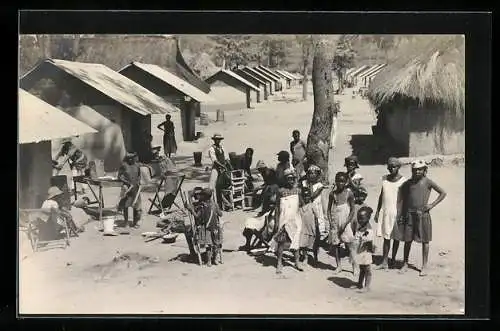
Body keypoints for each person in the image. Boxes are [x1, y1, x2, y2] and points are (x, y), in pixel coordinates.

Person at [392, 160, 447, 276]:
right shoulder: (408, 183)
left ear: (424, 171)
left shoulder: (428, 182)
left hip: (422, 215)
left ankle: (424, 266)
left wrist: (431, 205)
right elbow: (401, 196)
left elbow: (442, 193)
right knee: (407, 240)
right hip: (409, 214)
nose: (417, 171)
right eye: (415, 170)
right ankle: (405, 263)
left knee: (425, 240)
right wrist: (401, 214)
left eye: (420, 169)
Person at [374, 157, 407, 269]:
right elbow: (381, 195)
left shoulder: (403, 180)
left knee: (396, 238)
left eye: (394, 166)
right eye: (390, 166)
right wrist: (378, 211)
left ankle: (393, 259)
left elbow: (404, 199)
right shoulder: (384, 179)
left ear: (398, 167)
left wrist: (402, 214)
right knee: (386, 237)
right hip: (386, 211)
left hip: (396, 212)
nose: (391, 168)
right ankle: (384, 261)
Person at [270, 168, 304, 274]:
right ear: (285, 180)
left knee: (296, 241)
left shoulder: (298, 191)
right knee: (281, 241)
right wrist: (276, 221)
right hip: (284, 219)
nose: (290, 181)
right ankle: (279, 263)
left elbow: (302, 204)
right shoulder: (281, 191)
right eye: (288, 179)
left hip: (295, 219)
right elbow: (277, 207)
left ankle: (297, 262)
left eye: (292, 179)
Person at [241, 169, 280, 251]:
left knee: (250, 222)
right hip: (266, 213)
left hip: (269, 215)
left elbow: (273, 202)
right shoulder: (271, 186)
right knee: (250, 222)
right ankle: (250, 243)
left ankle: (249, 244)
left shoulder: (273, 188)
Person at [184, 188, 223, 267]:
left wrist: (191, 210)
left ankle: (208, 261)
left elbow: (197, 216)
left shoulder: (202, 206)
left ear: (204, 196)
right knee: (215, 244)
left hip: (206, 229)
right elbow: (220, 214)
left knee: (208, 245)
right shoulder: (214, 204)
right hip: (215, 228)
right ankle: (215, 259)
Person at [327, 172, 356, 274]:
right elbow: (328, 210)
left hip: (346, 222)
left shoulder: (349, 193)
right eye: (338, 181)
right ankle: (338, 266)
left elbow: (352, 210)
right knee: (336, 245)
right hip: (335, 222)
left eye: (343, 181)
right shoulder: (332, 194)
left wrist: (346, 223)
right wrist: (331, 222)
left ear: (346, 182)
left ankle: (354, 266)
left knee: (350, 244)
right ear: (335, 181)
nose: (340, 183)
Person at [300, 165, 328, 240]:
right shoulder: (304, 183)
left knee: (317, 219)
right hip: (306, 205)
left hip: (315, 204)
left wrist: (310, 185)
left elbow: (312, 196)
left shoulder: (320, 185)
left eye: (314, 173)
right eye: (310, 173)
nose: (312, 175)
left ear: (317, 175)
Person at [351, 206, 375, 293]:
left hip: (366, 252)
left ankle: (367, 286)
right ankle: (359, 283)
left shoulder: (368, 230)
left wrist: (371, 250)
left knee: (367, 269)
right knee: (362, 268)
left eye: (362, 219)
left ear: (368, 218)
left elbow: (369, 242)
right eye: (358, 218)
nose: (360, 220)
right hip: (360, 251)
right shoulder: (360, 228)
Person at [117, 152, 142, 232]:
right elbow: (119, 176)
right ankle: (126, 222)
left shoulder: (137, 165)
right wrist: (127, 183)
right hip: (127, 188)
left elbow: (139, 175)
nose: (131, 159)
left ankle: (135, 222)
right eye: (129, 158)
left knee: (136, 205)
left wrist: (138, 182)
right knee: (126, 205)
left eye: (132, 158)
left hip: (135, 187)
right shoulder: (124, 165)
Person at [207, 133, 231, 209]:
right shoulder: (211, 149)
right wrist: (222, 166)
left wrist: (229, 165)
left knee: (226, 183)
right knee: (212, 185)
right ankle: (213, 203)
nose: (218, 141)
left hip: (223, 168)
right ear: (214, 140)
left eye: (219, 140)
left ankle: (226, 203)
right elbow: (214, 160)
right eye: (216, 139)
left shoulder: (222, 147)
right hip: (216, 168)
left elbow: (226, 158)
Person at [299, 186, 320, 266]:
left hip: (312, 228)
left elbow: (316, 217)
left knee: (314, 245)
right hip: (303, 229)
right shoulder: (300, 208)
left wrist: (317, 228)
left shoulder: (312, 205)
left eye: (308, 196)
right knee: (304, 245)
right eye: (304, 196)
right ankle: (305, 257)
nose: (306, 198)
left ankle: (315, 257)